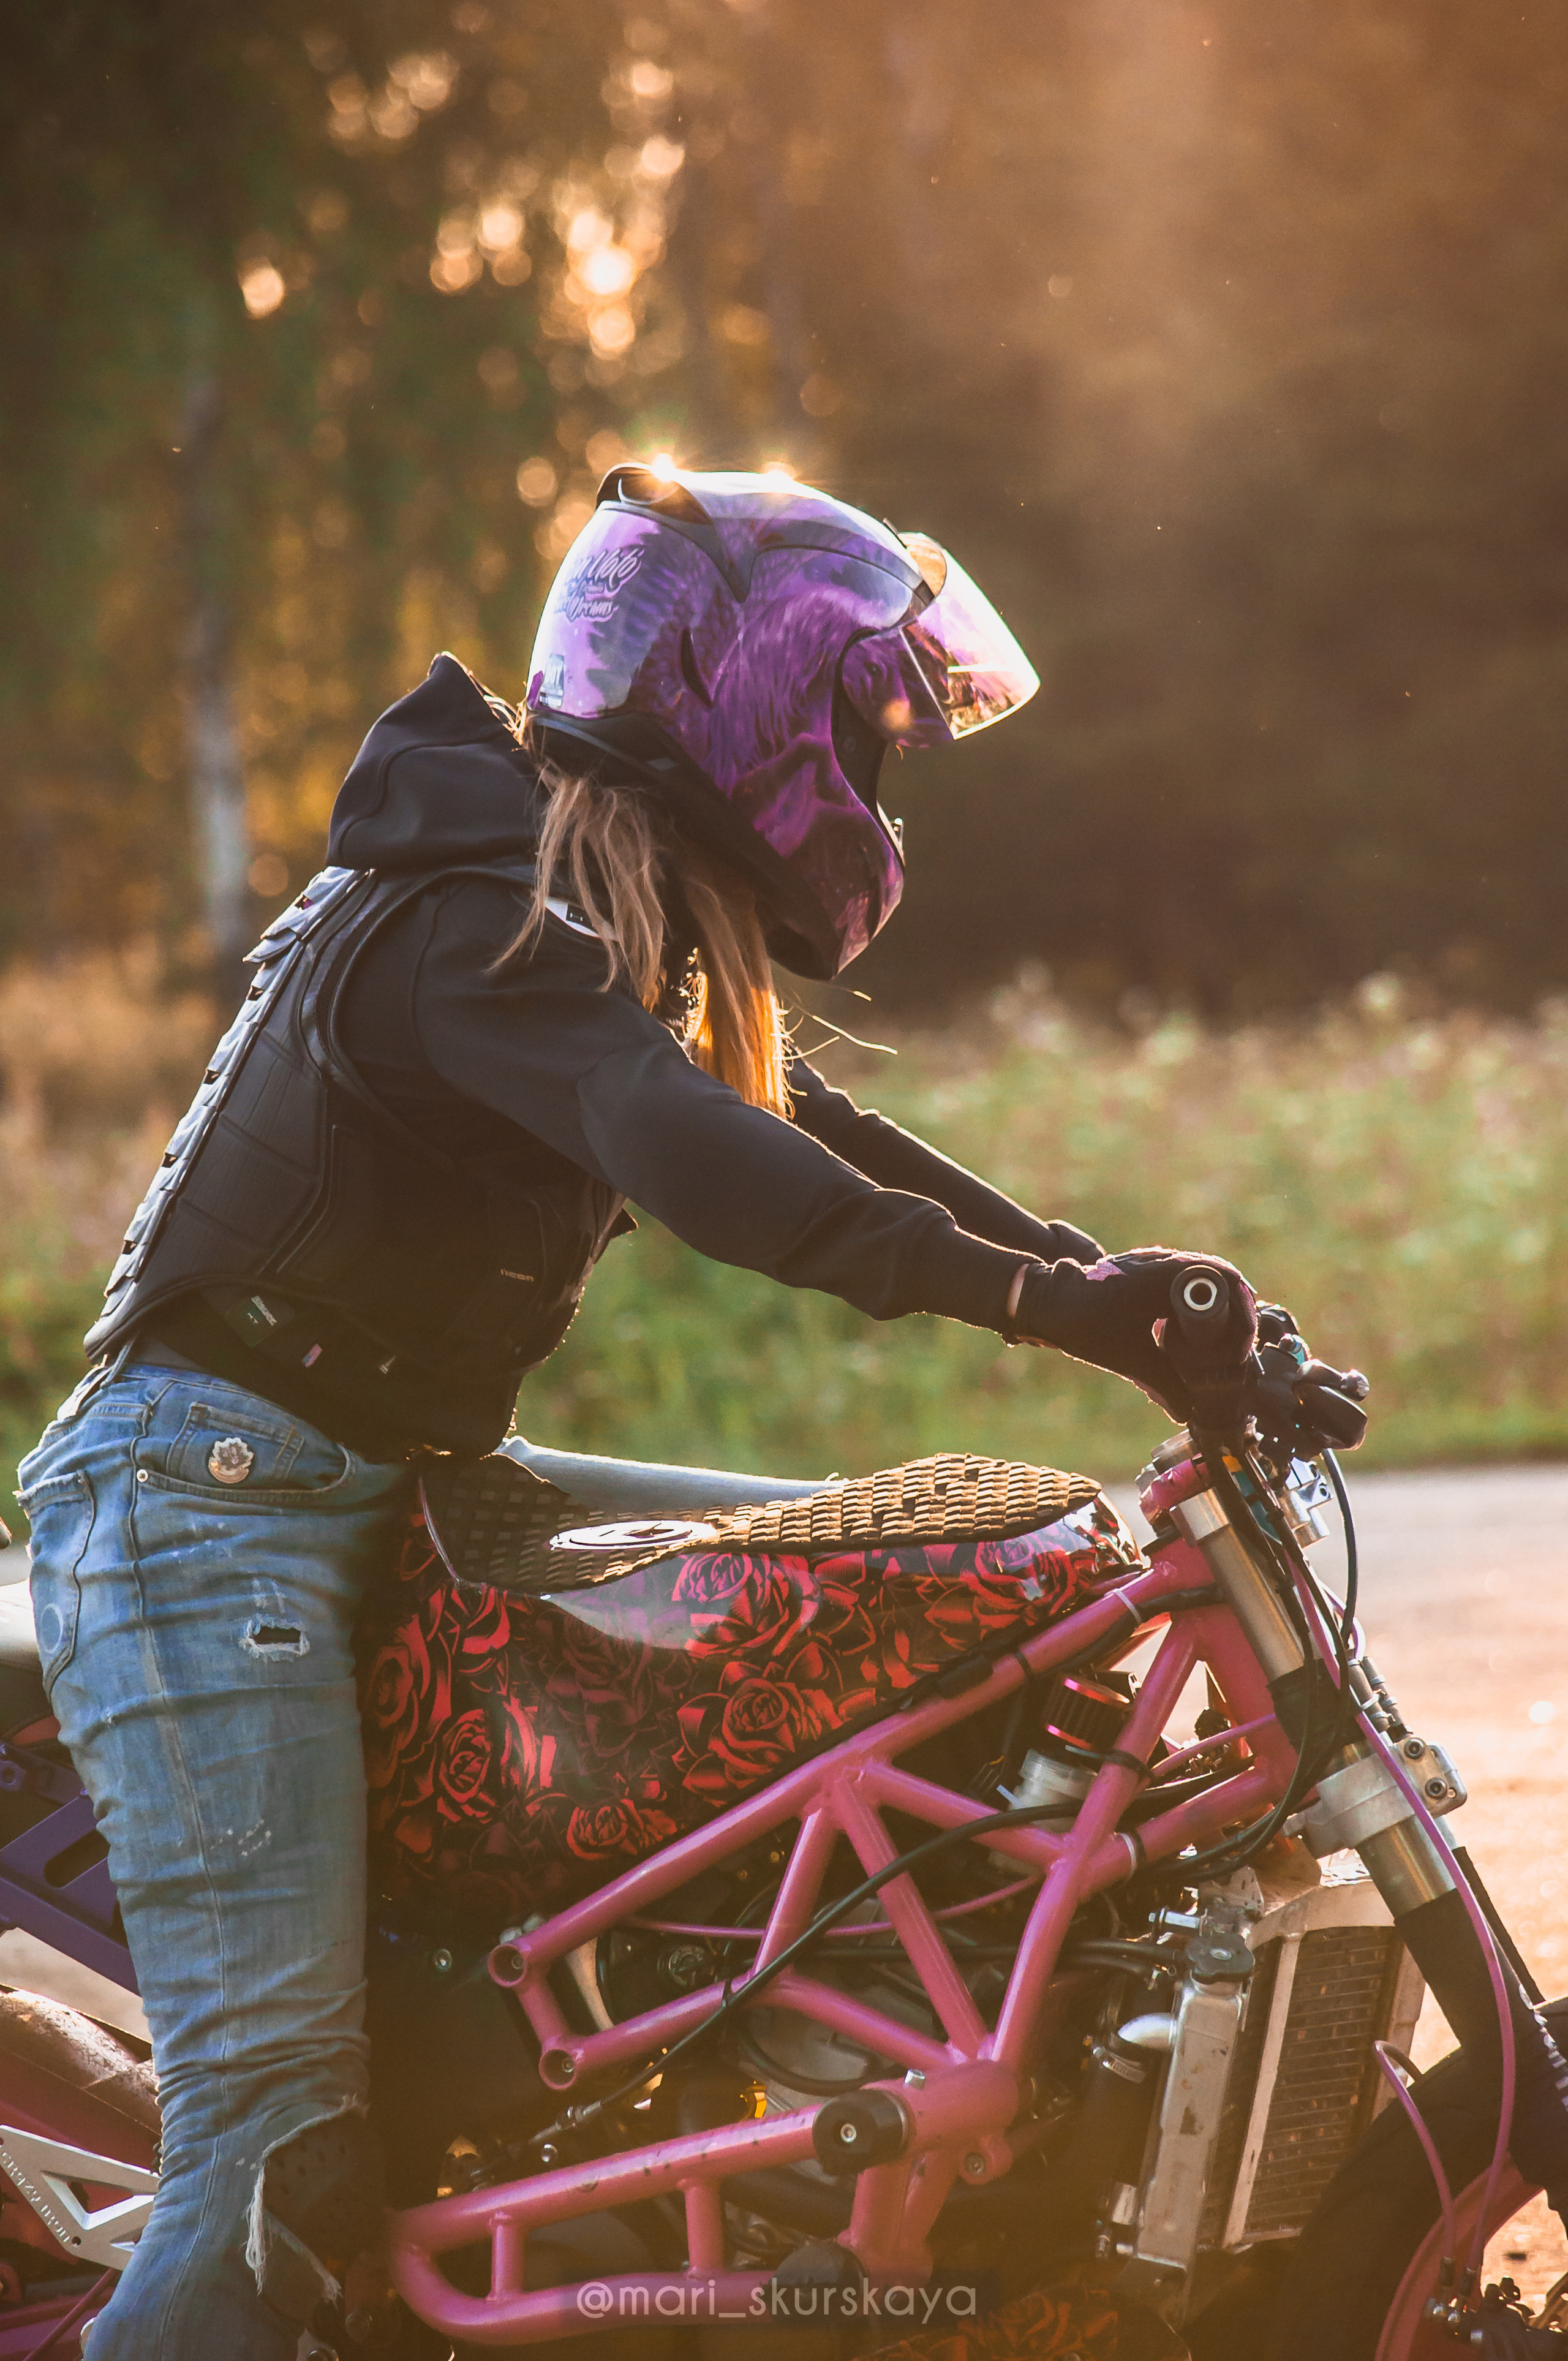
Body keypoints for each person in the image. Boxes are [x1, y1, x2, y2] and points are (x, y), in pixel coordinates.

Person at [18, 468, 1267, 2358]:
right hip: (208, 1509)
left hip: (389, 1486)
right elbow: (704, 1162)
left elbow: (808, 1131)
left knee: (902, 1595)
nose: (883, 785)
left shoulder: (587, 925)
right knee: (278, 2171)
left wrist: (1121, 1299)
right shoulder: (467, 916)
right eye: (869, 733)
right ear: (749, 715)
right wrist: (1045, 1298)